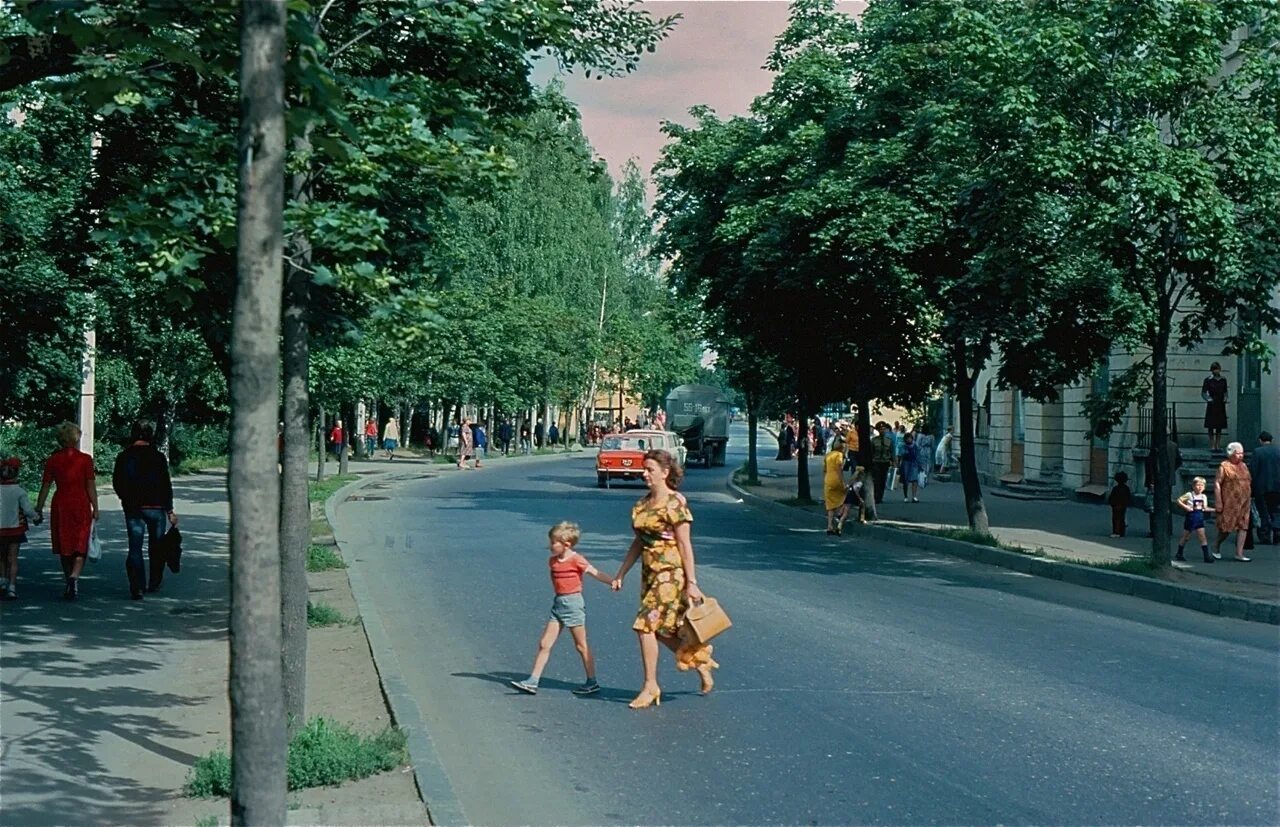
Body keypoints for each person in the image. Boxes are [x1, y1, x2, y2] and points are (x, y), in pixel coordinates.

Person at [611, 449, 717, 708]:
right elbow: (639, 542)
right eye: (644, 469)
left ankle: (650, 686)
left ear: (665, 473)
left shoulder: (675, 504)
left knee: (644, 625)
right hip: (650, 573)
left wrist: (692, 582)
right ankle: (699, 659)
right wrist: (621, 573)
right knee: (658, 631)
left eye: (650, 470)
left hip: (670, 574)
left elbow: (685, 545)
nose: (644, 474)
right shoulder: (641, 505)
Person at [510, 522, 614, 696]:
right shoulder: (552, 561)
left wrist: (612, 581)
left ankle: (592, 681)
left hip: (573, 604)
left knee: (581, 646)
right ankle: (533, 681)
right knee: (544, 643)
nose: (550, 546)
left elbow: (594, 572)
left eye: (553, 543)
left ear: (567, 545)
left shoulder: (576, 559)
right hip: (558, 604)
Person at [112, 420, 180, 599]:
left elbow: (117, 483)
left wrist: (125, 498)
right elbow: (166, 484)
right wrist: (170, 510)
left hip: (134, 508)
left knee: (135, 547)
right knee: (156, 547)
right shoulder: (157, 457)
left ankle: (137, 586)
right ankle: (154, 582)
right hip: (156, 508)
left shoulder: (124, 457)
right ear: (151, 435)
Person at [35, 422, 98, 600]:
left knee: (65, 544)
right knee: (80, 543)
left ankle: (68, 579)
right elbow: (90, 485)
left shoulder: (53, 460)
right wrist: (96, 507)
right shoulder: (85, 460)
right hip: (80, 503)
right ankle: (74, 577)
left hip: (61, 503)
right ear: (76, 438)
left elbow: (45, 486)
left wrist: (39, 508)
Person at [0, 457, 40, 600]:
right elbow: (28, 510)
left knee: (1, 557)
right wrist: (36, 517)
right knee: (13, 558)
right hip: (15, 529)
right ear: (16, 473)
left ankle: (2, 581)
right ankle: (12, 586)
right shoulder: (19, 491)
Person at [1214, 442, 1253, 562]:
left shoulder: (1244, 466)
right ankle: (1216, 546)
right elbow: (1217, 483)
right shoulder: (1224, 466)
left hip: (1244, 502)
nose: (1241, 456)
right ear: (1231, 454)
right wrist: (1219, 501)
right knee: (1226, 528)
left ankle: (1239, 553)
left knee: (1243, 526)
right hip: (1229, 502)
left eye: (1242, 453)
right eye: (1238, 453)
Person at [1249, 431, 1279, 545]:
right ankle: (1277, 531)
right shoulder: (1278, 451)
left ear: (1260, 440)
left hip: (1262, 487)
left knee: (1263, 511)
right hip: (1277, 487)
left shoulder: (1258, 452)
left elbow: (1253, 470)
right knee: (1276, 510)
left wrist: (1251, 487)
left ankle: (1265, 535)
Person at [1175, 477, 1214, 563]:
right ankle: (1179, 552)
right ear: (1193, 486)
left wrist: (1215, 510)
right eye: (1198, 485)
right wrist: (1186, 507)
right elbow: (1179, 500)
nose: (1200, 487)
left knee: (1202, 537)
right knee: (1186, 537)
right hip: (1191, 517)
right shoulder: (1189, 495)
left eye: (1202, 485)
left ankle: (1206, 556)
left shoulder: (1203, 496)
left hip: (1200, 517)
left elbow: (1205, 508)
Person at [1202, 362, 1229, 452]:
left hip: (1220, 404)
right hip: (1212, 404)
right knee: (1211, 425)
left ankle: (1218, 444)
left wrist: (1225, 398)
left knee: (1219, 425)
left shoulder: (1223, 380)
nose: (1215, 371)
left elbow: (1225, 391)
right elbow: (1203, 392)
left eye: (1217, 369)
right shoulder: (1208, 380)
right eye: (1214, 369)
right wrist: (1208, 399)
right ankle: (1212, 445)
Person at [823, 437, 847, 535]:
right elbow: (839, 469)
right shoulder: (839, 455)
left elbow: (824, 470)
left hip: (828, 480)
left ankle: (829, 526)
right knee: (844, 498)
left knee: (830, 504)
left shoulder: (828, 455)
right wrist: (843, 482)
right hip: (836, 480)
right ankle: (840, 516)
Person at [870, 422, 893, 504]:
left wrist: (893, 461)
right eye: (880, 429)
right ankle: (876, 497)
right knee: (877, 480)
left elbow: (891, 452)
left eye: (884, 429)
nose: (882, 431)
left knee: (883, 480)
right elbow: (871, 452)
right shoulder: (874, 440)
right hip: (876, 462)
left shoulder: (889, 441)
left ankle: (880, 496)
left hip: (885, 462)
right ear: (878, 430)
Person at [1106, 471, 1132, 538]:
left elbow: (1111, 498)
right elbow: (1128, 498)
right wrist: (1124, 504)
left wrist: (1113, 504)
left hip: (1115, 506)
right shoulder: (1126, 488)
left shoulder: (1115, 488)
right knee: (1121, 518)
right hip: (1122, 506)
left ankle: (1116, 531)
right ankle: (1121, 532)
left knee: (1115, 519)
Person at [899, 432, 922, 503]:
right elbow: (901, 454)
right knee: (906, 480)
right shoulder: (903, 445)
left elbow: (918, 454)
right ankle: (906, 496)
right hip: (906, 463)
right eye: (907, 438)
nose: (909, 440)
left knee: (915, 480)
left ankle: (914, 496)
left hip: (914, 463)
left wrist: (919, 464)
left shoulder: (915, 445)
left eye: (910, 438)